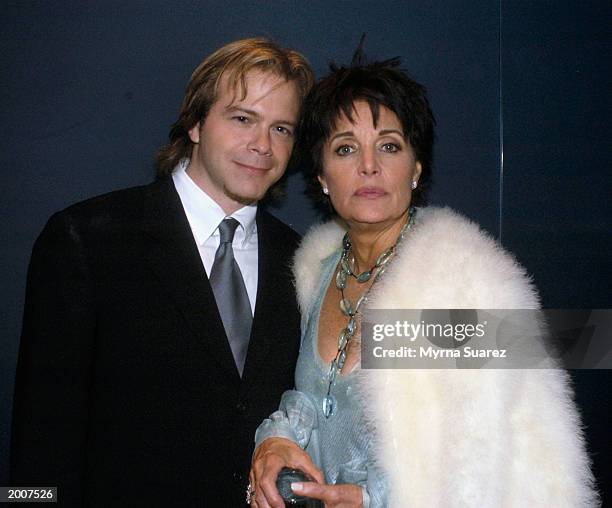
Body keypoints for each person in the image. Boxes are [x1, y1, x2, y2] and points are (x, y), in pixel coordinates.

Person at [249, 51, 598, 507]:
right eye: (346, 148)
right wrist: (276, 440)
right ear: (321, 177)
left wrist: (376, 499)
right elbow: (318, 400)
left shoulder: (457, 279)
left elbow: (485, 451)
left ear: (416, 170)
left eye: (390, 146)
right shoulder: (315, 271)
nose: (369, 166)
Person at [11, 38, 314, 506]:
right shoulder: (88, 239)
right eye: (242, 119)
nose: (262, 145)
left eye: (282, 129)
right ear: (195, 123)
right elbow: (41, 432)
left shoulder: (302, 260)